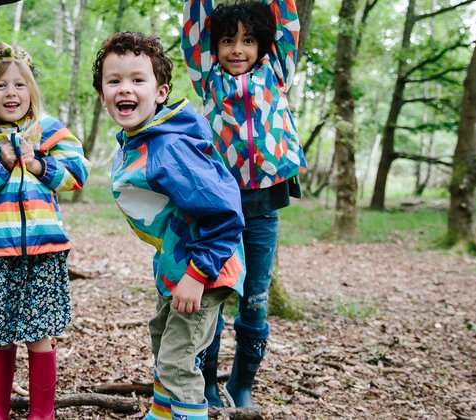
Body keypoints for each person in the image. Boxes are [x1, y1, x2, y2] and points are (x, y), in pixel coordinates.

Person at [92, 31, 246, 420]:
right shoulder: (139, 139)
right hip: (177, 267)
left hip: (205, 270)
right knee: (163, 340)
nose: (125, 88)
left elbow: (226, 213)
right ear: (102, 95)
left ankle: (189, 414)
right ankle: (162, 413)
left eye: (137, 80)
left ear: (160, 92)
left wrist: (197, 274)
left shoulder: (170, 147)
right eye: (115, 81)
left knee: (178, 360)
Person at [0, 42, 91, 420]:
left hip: (44, 250)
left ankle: (41, 413)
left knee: (39, 333)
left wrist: (40, 165)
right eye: (1, 86)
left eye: (20, 85)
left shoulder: (49, 131)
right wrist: (1, 164)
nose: (11, 94)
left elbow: (78, 175)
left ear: (32, 91)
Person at [182, 0, 308, 408]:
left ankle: (242, 385)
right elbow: (194, 24)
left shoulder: (276, 72)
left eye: (249, 41)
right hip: (218, 211)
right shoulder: (208, 78)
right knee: (214, 299)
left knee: (254, 300)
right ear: (214, 47)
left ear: (263, 46)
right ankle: (205, 386)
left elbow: (286, 21)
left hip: (263, 208)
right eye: (228, 40)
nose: (238, 49)